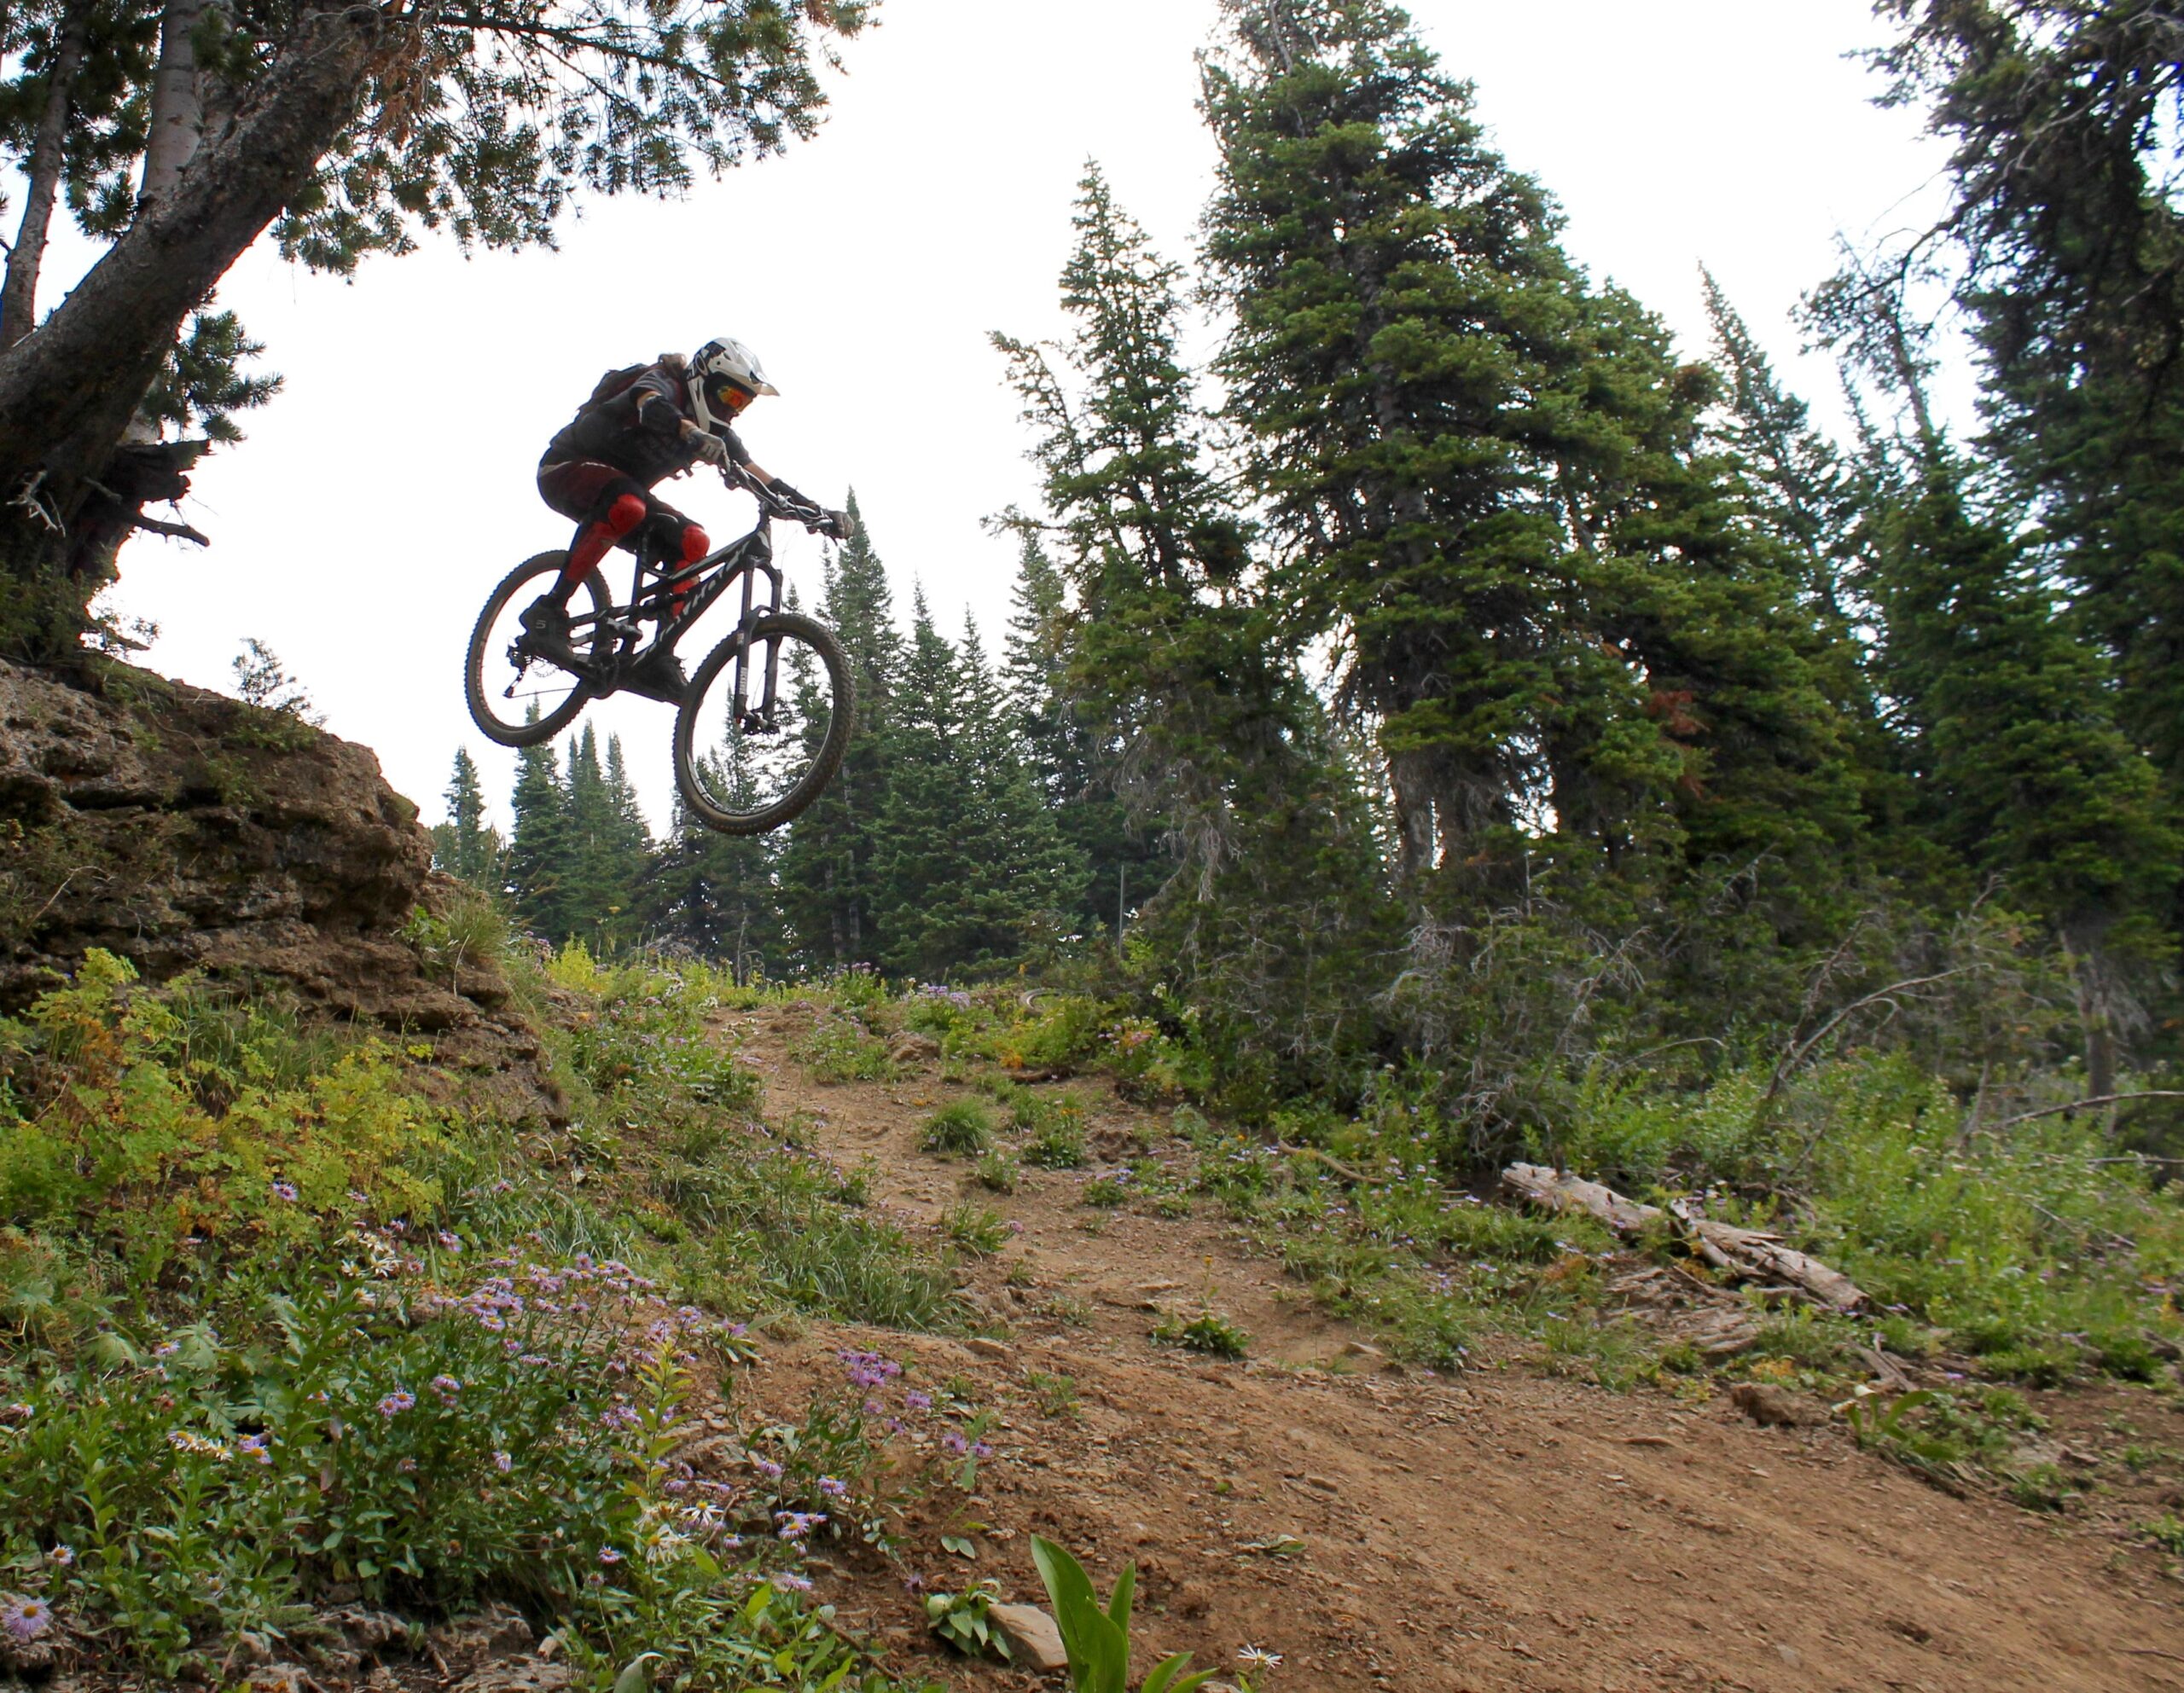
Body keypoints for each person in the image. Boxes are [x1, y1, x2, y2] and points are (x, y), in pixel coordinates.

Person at [524, 337, 851, 693]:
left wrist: (818, 513)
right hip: (565, 469)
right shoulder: (665, 381)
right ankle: (549, 612)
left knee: (693, 540)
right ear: (703, 378)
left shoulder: (719, 433)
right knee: (628, 505)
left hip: (624, 490)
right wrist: (688, 430)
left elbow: (764, 478)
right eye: (729, 395)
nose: (733, 409)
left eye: (742, 402)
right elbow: (650, 403)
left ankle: (660, 655)